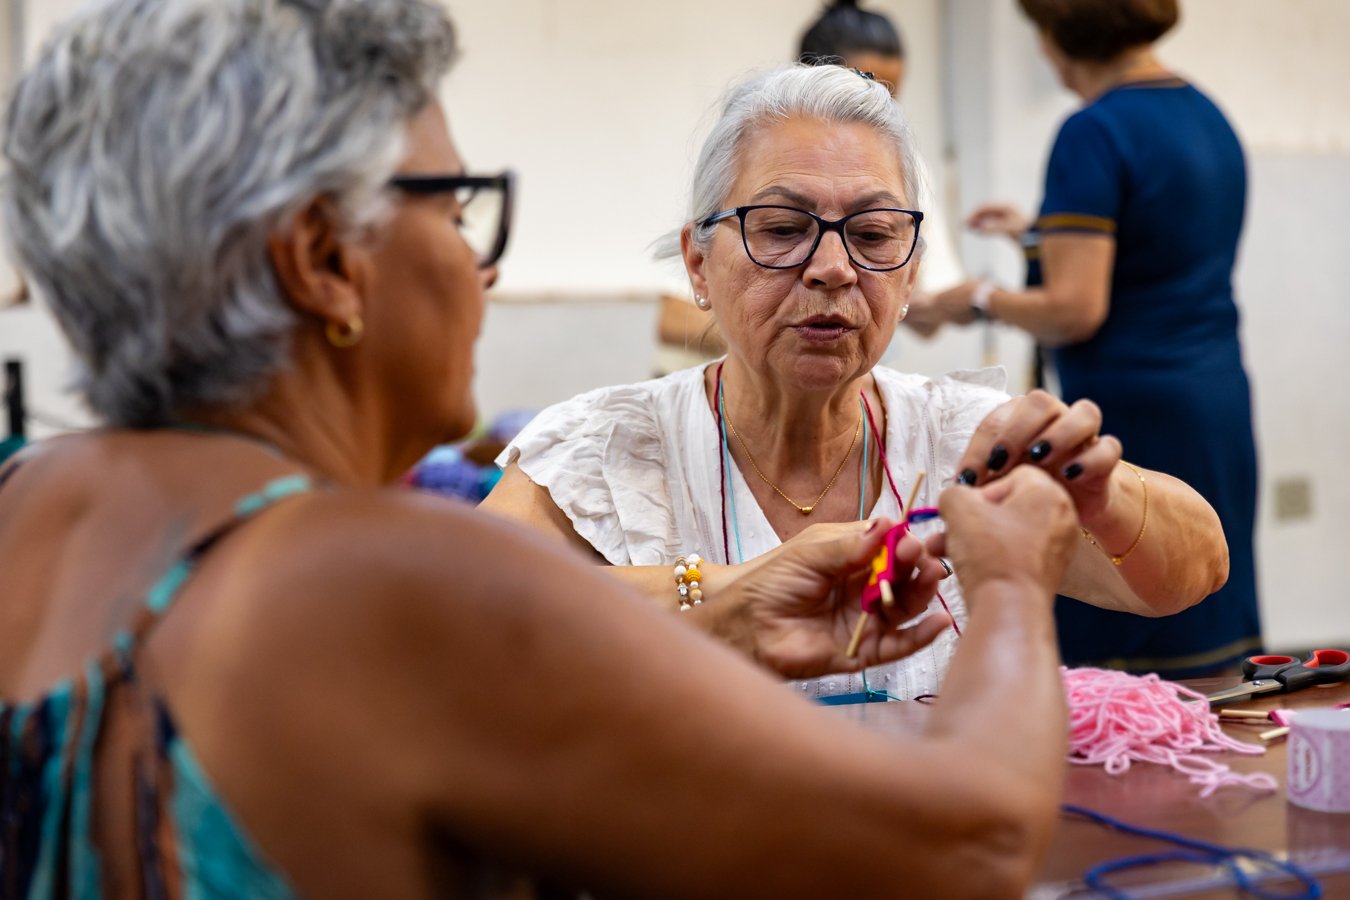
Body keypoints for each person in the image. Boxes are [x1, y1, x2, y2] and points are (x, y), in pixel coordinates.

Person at [1, 1, 1087, 895]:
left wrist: (726, 617)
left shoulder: (27, 501)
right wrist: (1008, 583)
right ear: (326, 262)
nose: (486, 271)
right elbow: (972, 842)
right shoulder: (379, 575)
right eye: (458, 210)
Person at [484, 63, 1230, 703]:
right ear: (698, 263)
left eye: (873, 236)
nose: (834, 267)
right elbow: (456, 616)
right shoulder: (608, 447)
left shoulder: (967, 441)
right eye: (781, 229)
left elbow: (1192, 572)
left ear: (908, 274)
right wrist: (724, 592)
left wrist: (1103, 494)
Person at [909, 0, 1261, 676]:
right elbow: (1158, 247)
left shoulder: (1093, 132)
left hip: (1134, 410)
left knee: (1137, 612)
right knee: (1208, 597)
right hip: (1215, 398)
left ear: (1058, 38)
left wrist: (973, 300)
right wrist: (1037, 234)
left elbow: (1075, 309)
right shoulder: (1208, 117)